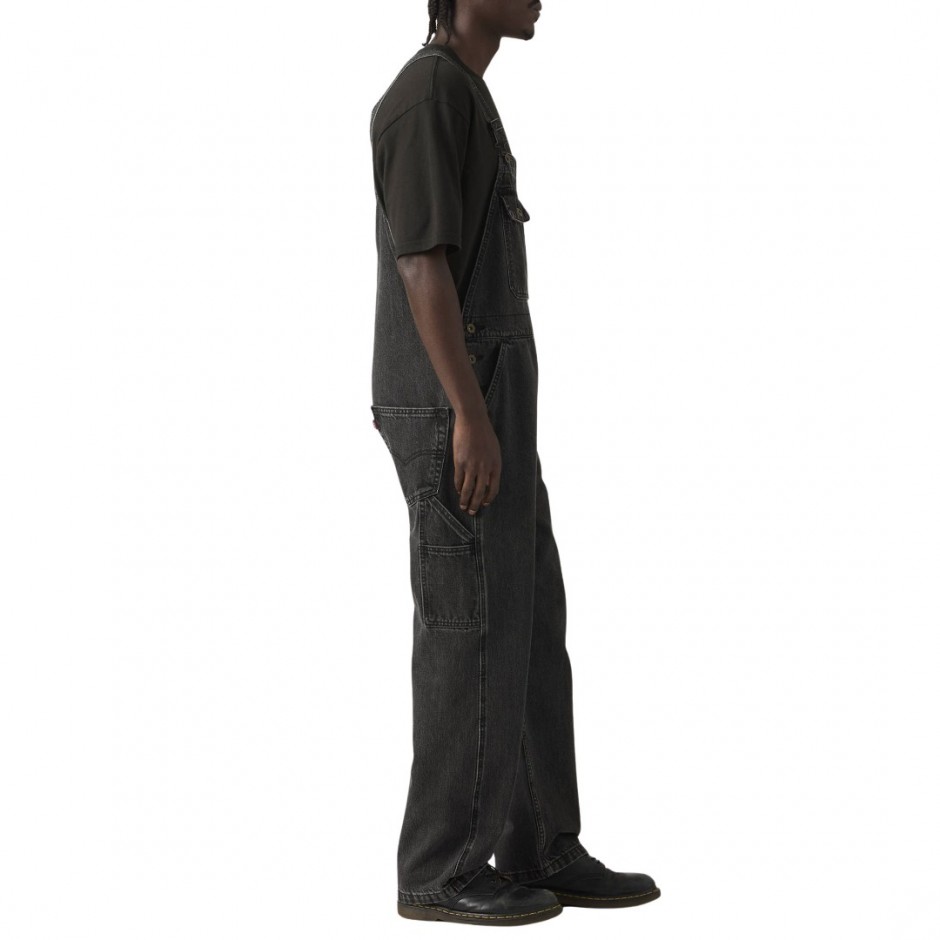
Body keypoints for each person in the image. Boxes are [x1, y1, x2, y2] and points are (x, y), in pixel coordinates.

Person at [368, 0, 660, 926]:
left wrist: (490, 414)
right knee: (470, 629)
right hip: (456, 409)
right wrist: (468, 414)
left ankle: (540, 846)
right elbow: (421, 264)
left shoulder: (463, 90)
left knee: (527, 617)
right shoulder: (426, 95)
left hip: (490, 406)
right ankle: (440, 868)